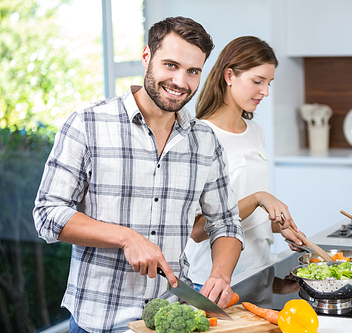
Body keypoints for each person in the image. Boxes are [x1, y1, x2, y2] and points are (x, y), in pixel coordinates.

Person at [32, 17, 288, 333]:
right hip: (99, 321)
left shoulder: (203, 140)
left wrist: (220, 275)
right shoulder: (88, 124)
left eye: (193, 71)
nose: (180, 80)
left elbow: (225, 221)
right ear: (146, 57)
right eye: (170, 65)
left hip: (171, 318)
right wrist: (125, 237)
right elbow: (47, 215)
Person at [185, 36, 305, 292]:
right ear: (229, 76)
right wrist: (259, 198)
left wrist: (280, 226)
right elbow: (196, 231)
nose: (266, 92)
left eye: (269, 83)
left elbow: (253, 215)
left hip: (260, 272)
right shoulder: (199, 136)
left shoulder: (255, 131)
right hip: (212, 282)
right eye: (257, 81)